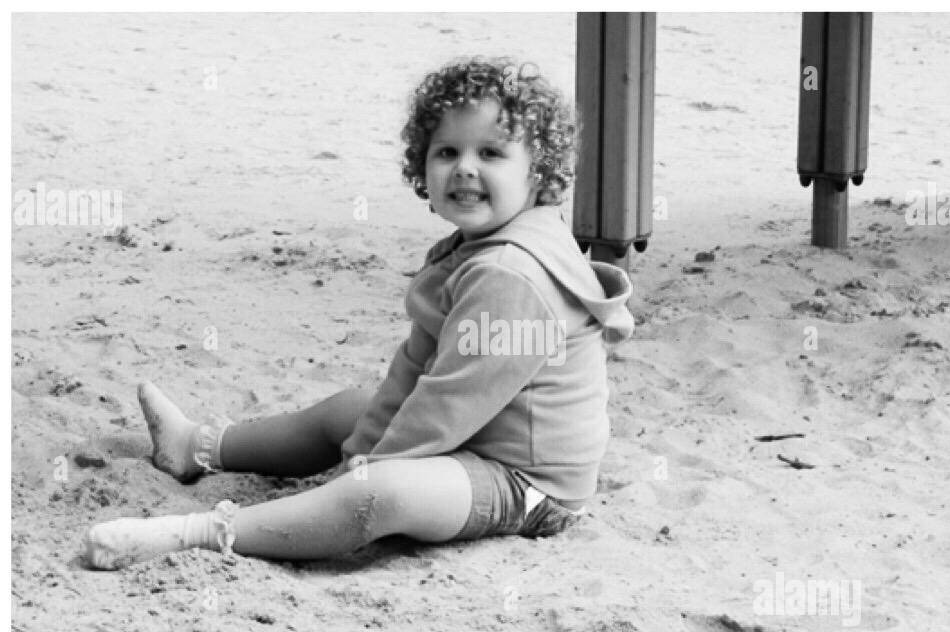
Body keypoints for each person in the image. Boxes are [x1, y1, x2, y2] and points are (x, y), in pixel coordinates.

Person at [84, 57, 633, 570]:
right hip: (476, 439)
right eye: (447, 152)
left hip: (526, 484)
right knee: (347, 411)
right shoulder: (477, 247)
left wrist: (370, 466)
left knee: (379, 496)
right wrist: (368, 439)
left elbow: (450, 402)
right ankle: (198, 448)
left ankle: (197, 533)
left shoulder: (509, 275)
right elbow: (417, 365)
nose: (465, 168)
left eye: (491, 154)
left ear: (539, 173)